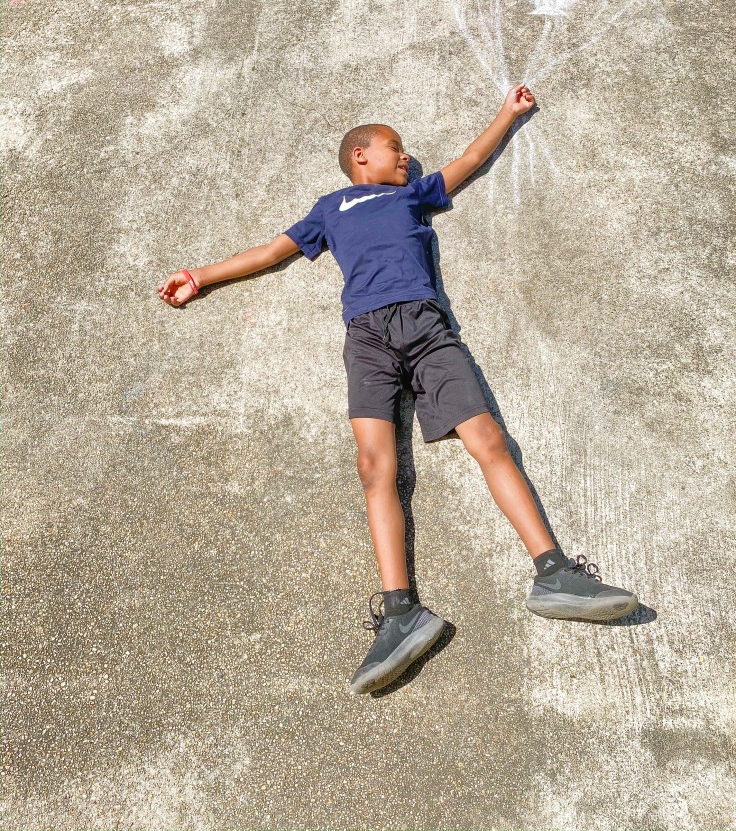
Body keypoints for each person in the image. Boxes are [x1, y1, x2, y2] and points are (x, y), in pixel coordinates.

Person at [158, 84, 638, 696]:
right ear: (361, 157)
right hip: (366, 339)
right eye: (395, 148)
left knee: (488, 438)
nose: (405, 156)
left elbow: (466, 163)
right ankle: (400, 611)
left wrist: (507, 114)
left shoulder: (411, 193)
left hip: (426, 325)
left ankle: (555, 573)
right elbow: (271, 251)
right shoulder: (331, 208)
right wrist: (199, 275)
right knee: (374, 467)